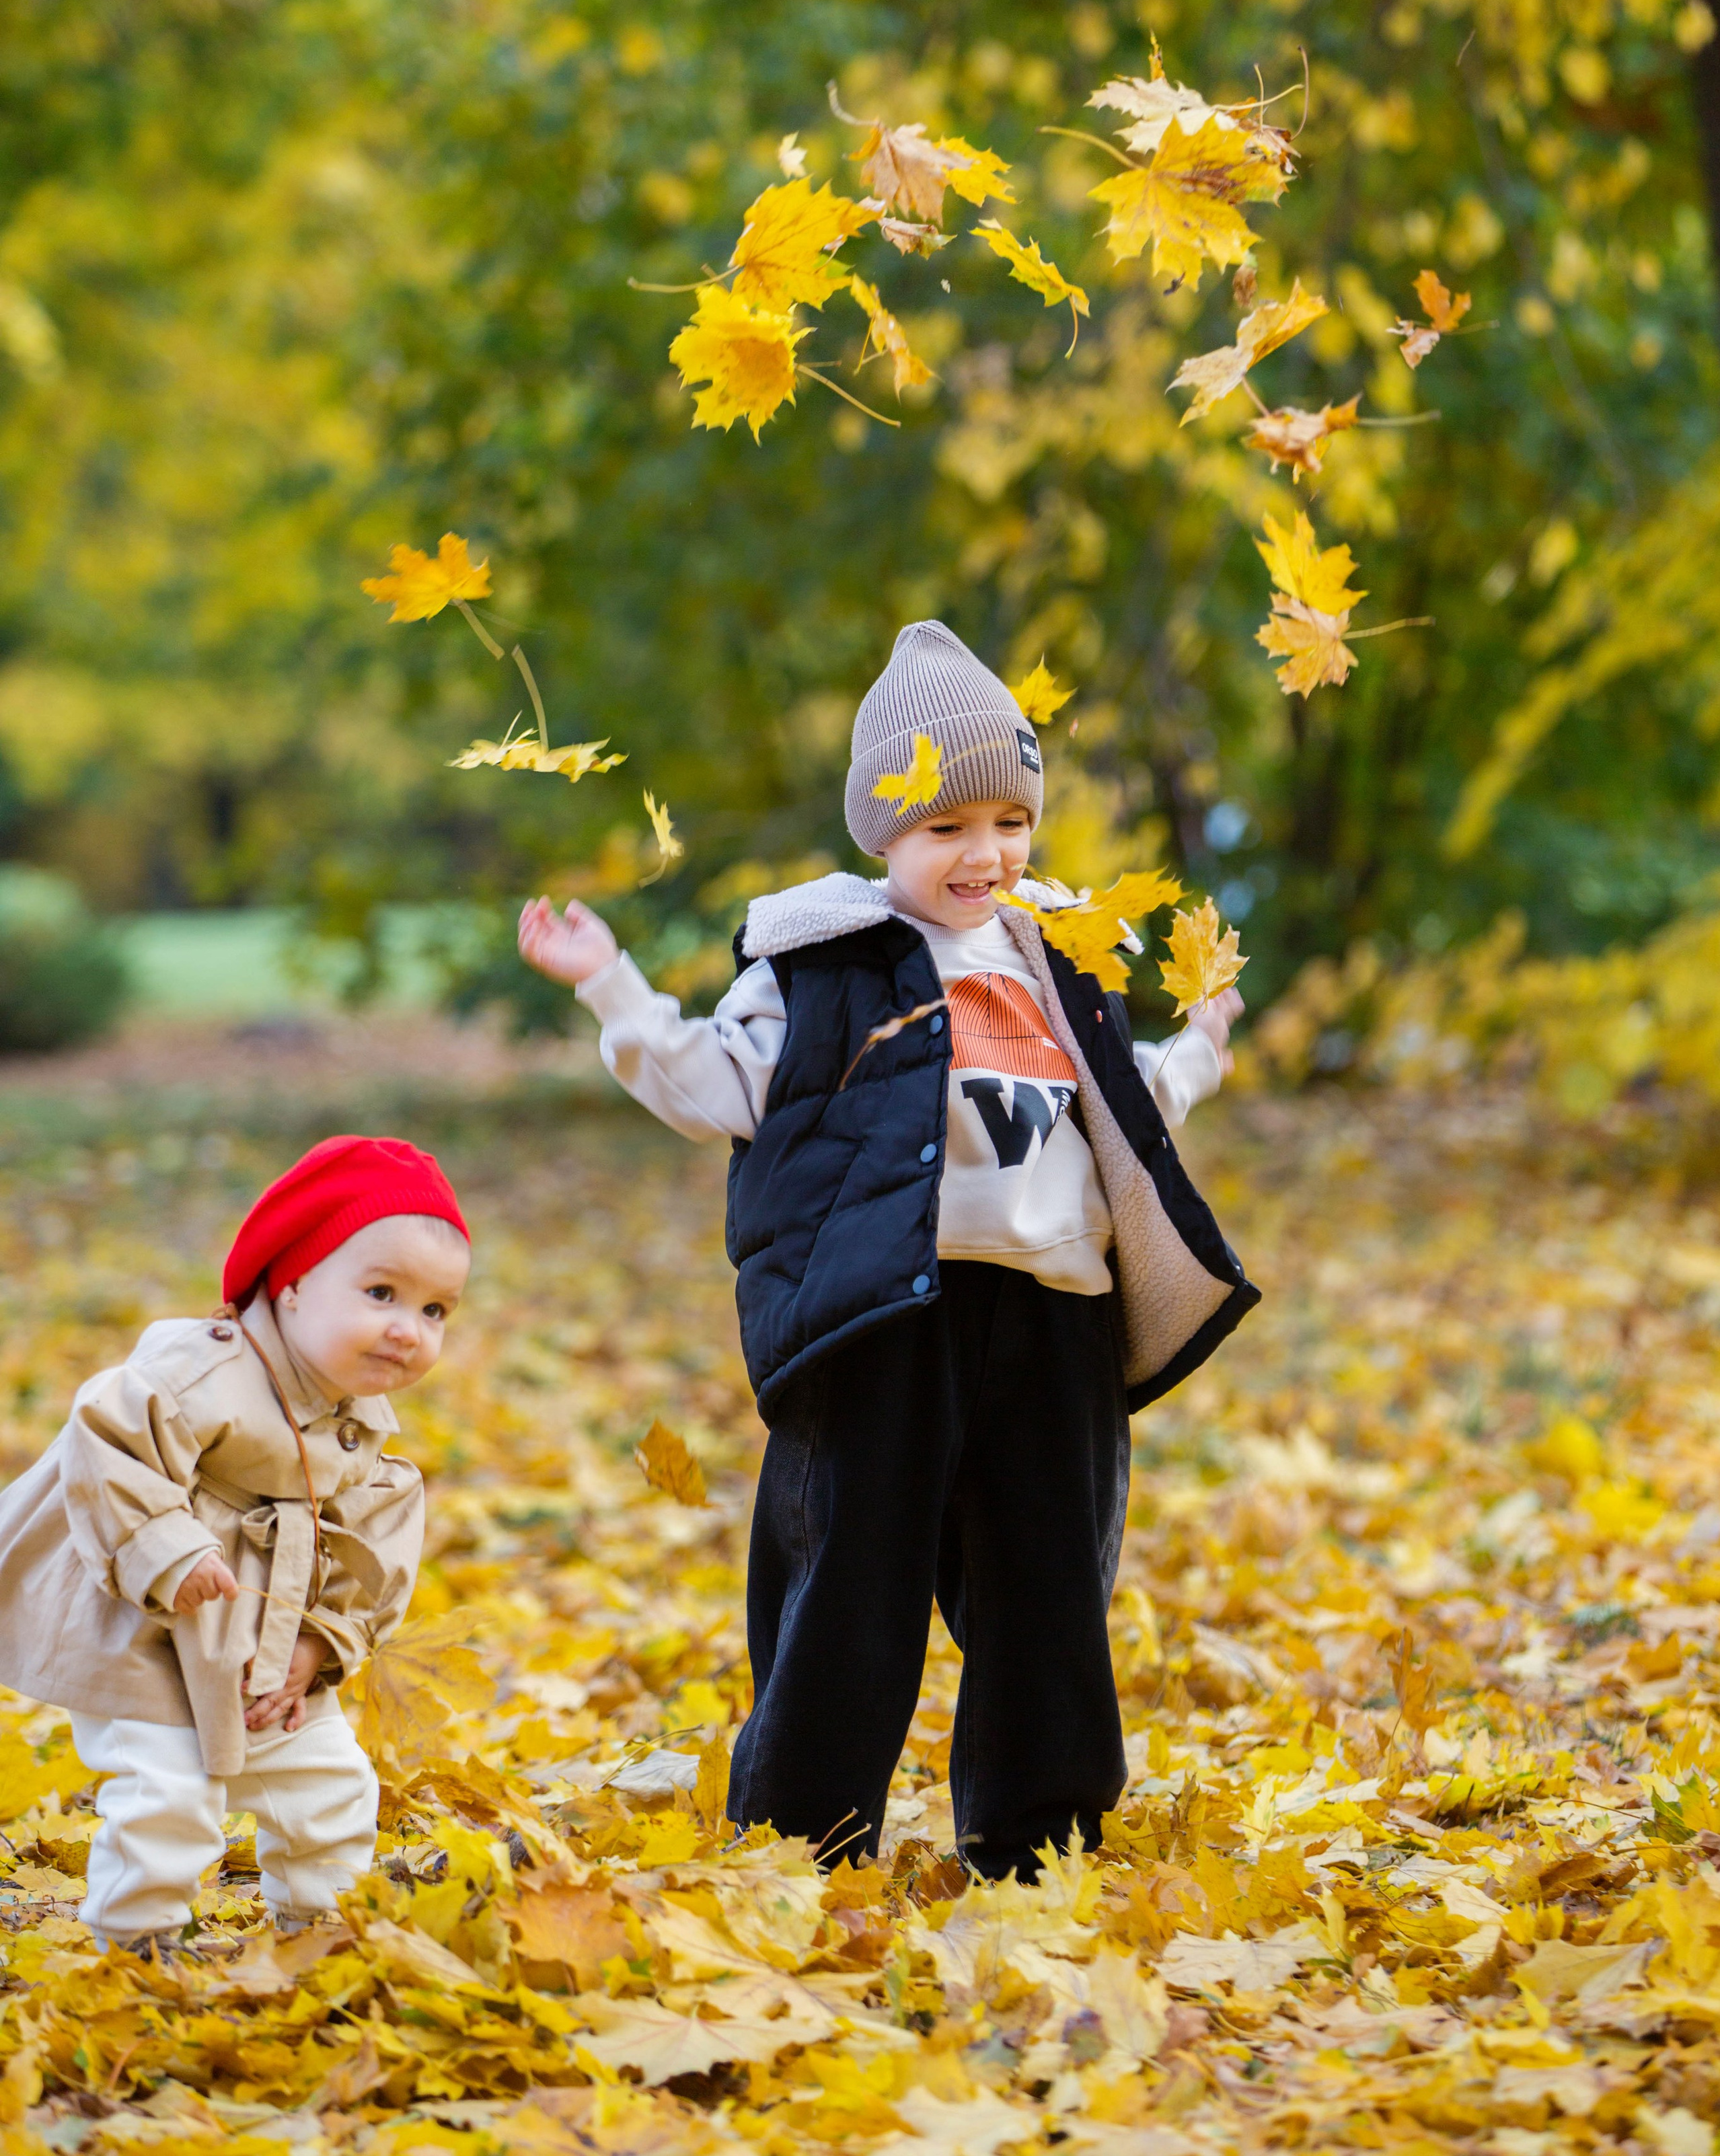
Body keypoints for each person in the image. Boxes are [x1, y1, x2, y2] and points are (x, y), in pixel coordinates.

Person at [519, 620, 1257, 1877]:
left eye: (1009, 823)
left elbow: (1114, 1105)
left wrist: (1195, 1055)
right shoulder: (823, 965)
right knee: (849, 1585)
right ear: (882, 834)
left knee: (1048, 1592)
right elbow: (718, 1087)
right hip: (886, 1316)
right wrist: (615, 993)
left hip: (1052, 1313)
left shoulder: (1056, 957)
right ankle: (802, 1841)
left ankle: (1043, 1839)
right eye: (947, 829)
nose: (986, 855)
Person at [0, 1134, 469, 1954]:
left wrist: (321, 1646)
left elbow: (372, 1559)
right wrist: (170, 1550)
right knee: (168, 1795)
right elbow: (107, 1440)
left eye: (433, 1311)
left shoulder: (363, 1438)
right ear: (289, 1285)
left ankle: (325, 1923)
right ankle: (137, 1945)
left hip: (267, 1646)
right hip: (148, 1627)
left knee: (328, 1785)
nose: (408, 1330)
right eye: (382, 1292)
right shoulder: (196, 1373)